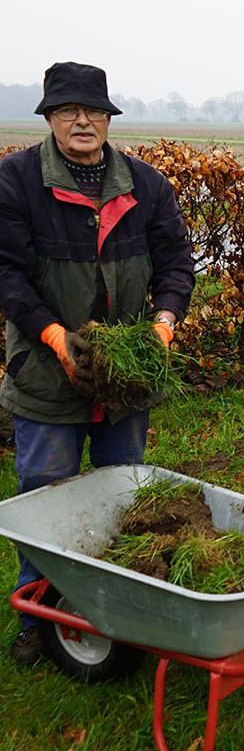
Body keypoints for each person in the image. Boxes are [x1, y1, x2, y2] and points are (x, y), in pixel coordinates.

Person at [0, 62, 195, 665]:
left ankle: (117, 598)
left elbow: (176, 263)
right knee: (45, 489)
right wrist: (56, 338)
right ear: (51, 119)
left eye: (94, 111)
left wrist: (162, 326)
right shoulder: (16, 181)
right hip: (44, 368)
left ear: (109, 118)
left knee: (122, 488)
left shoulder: (145, 184)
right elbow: (7, 275)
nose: (83, 120)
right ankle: (38, 607)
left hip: (126, 374)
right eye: (68, 111)